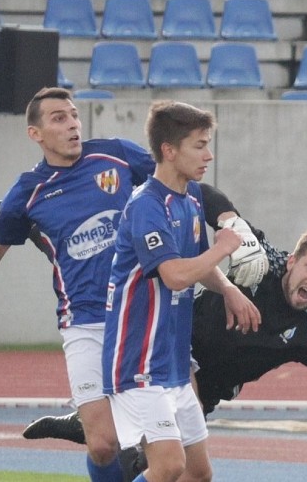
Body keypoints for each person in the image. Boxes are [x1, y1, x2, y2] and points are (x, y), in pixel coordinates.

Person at [0, 88, 265, 482]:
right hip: (86, 324)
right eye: (58, 118)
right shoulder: (28, 191)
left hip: (145, 323)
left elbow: (185, 197)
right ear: (35, 134)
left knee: (181, 462)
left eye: (74, 115)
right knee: (105, 445)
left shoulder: (116, 155)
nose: (72, 123)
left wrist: (228, 266)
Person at [0, 205, 307, 455]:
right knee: (116, 269)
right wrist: (232, 226)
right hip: (168, 339)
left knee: (141, 460)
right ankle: (35, 225)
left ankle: (87, 425)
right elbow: (209, 200)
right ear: (291, 261)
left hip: (206, 394)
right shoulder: (263, 259)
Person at [101, 99, 261, 482]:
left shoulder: (188, 201)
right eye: (199, 145)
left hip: (171, 360)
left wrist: (227, 289)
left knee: (198, 473)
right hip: (139, 359)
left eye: (208, 143)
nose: (208, 155)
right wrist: (223, 248)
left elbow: (194, 263)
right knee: (169, 466)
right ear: (169, 151)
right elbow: (174, 275)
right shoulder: (147, 205)